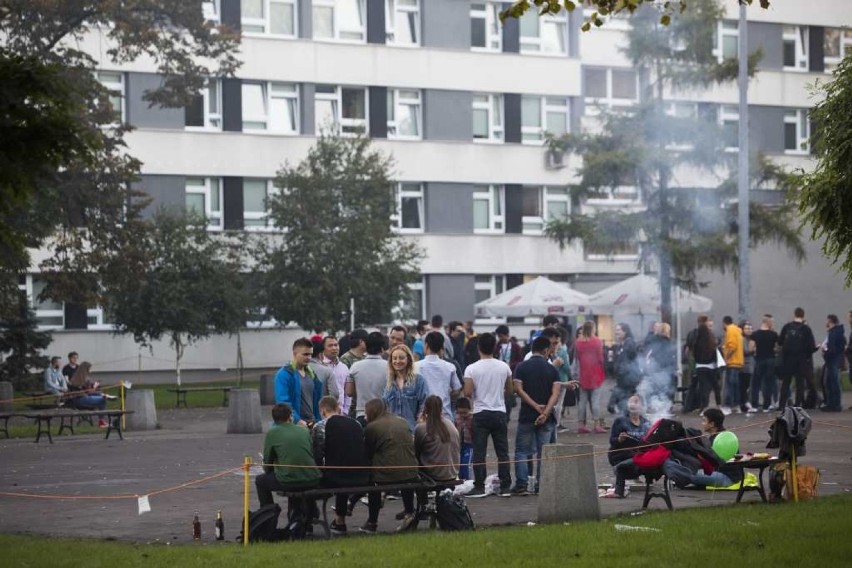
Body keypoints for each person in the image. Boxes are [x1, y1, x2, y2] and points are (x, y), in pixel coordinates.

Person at [512, 335, 571, 495]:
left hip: (526, 416)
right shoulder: (552, 369)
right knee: (543, 453)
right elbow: (555, 394)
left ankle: (522, 485)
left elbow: (518, 390)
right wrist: (545, 412)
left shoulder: (521, 367)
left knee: (522, 451)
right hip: (547, 419)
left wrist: (534, 406)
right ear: (546, 350)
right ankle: (542, 486)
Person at [463, 332, 513, 498]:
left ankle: (479, 485)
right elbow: (510, 391)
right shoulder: (504, 367)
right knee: (502, 452)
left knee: (479, 451)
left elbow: (468, 392)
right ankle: (505, 485)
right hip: (499, 412)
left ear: (478, 348)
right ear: (495, 348)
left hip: (480, 413)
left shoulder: (471, 368)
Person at [311, 396, 369, 535]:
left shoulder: (321, 426)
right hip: (361, 474)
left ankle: (315, 520)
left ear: (323, 410)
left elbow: (318, 454)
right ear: (338, 408)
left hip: (336, 476)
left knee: (323, 477)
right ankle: (339, 521)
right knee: (343, 468)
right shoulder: (355, 424)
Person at [362, 399, 419, 534]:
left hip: (387, 473)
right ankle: (409, 511)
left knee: (373, 485)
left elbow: (367, 452)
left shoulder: (372, 427)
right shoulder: (402, 421)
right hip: (411, 470)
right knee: (405, 476)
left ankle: (372, 522)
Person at [255, 403, 321, 517]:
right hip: (313, 478)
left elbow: (267, 465)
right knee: (295, 473)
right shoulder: (303, 430)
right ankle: (310, 512)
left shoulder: (272, 433)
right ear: (290, 416)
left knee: (260, 481)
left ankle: (267, 514)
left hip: (289, 480)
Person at [414, 395, 461, 506]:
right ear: (441, 408)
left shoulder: (422, 428)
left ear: (425, 409)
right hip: (452, 472)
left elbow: (415, 452)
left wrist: (419, 423)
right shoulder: (450, 424)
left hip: (434, 474)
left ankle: (421, 505)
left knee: (411, 472)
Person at [604, 395, 651, 498]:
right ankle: (619, 488)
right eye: (631, 401)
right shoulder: (620, 421)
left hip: (637, 455)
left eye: (636, 401)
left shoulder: (646, 423)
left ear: (642, 406)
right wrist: (619, 439)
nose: (633, 403)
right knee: (631, 459)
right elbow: (612, 441)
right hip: (619, 455)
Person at [275, 338, 323, 426]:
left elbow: (317, 401)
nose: (309, 357)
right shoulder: (284, 374)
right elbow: (283, 402)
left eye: (310, 354)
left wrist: (318, 420)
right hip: (293, 425)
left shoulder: (312, 374)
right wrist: (297, 420)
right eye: (305, 354)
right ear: (295, 354)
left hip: (312, 423)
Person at [778, 307, 819, 410]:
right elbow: (811, 346)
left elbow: (780, 341)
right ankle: (797, 405)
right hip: (801, 360)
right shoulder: (806, 329)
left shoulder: (787, 327)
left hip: (788, 359)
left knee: (786, 383)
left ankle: (781, 405)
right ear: (803, 316)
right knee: (799, 383)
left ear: (794, 314)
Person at [416, 331, 461, 421]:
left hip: (423, 416)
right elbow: (457, 390)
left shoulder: (415, 366)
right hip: (444, 415)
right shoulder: (450, 367)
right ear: (442, 347)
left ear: (426, 346)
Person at [382, 344, 428, 431]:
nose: (397, 361)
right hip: (392, 431)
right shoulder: (389, 383)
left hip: (412, 431)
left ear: (408, 359)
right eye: (394, 358)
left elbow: (424, 404)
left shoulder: (418, 380)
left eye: (401, 358)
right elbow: (385, 406)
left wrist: (419, 423)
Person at [346, 332, 389, 424]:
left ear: (366, 346)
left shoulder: (355, 366)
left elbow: (349, 392)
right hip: (383, 413)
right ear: (382, 348)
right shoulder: (389, 367)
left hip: (362, 413)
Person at [575, 321, 606, 434]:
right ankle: (597, 425)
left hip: (583, 374)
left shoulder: (578, 342)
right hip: (595, 374)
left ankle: (581, 424)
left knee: (582, 401)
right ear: (593, 328)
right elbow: (600, 359)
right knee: (595, 401)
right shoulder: (597, 341)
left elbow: (577, 358)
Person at [609, 323, 640, 415]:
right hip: (622, 380)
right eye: (616, 330)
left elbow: (626, 361)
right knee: (616, 406)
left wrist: (620, 371)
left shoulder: (629, 344)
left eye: (619, 330)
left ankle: (628, 424)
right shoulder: (620, 345)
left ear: (625, 331)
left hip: (628, 380)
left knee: (621, 406)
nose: (616, 332)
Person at [750, 315, 779, 412]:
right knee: (768, 383)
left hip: (759, 359)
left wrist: (756, 350)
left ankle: (754, 405)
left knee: (756, 383)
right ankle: (766, 405)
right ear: (768, 322)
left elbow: (751, 348)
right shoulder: (774, 334)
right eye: (772, 322)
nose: (773, 324)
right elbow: (777, 347)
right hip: (770, 359)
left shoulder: (755, 334)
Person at [494, 324, 523, 418]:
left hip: (510, 374)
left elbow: (520, 361)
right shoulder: (497, 346)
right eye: (498, 336)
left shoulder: (515, 346)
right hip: (498, 374)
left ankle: (507, 415)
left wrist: (511, 365)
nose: (500, 338)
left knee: (509, 396)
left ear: (506, 335)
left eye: (501, 336)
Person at [68, 361, 109, 427]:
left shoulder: (76, 377)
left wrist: (94, 387)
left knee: (101, 395)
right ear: (86, 369)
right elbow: (88, 391)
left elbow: (86, 390)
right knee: (102, 399)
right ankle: (101, 421)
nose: (90, 370)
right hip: (80, 399)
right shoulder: (83, 378)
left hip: (78, 399)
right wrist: (94, 387)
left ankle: (102, 421)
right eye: (89, 369)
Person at [692, 316, 720, 413]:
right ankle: (719, 405)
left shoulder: (696, 338)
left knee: (703, 388)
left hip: (700, 366)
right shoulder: (711, 339)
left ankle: (704, 407)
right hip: (711, 366)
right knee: (716, 386)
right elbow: (714, 352)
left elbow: (693, 351)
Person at [820, 314, 847, 412]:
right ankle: (833, 403)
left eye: (827, 320)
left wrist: (825, 351)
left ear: (830, 321)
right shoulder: (837, 332)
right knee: (830, 382)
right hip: (834, 360)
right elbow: (843, 344)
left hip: (832, 360)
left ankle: (834, 405)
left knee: (833, 382)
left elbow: (832, 348)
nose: (825, 322)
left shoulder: (833, 333)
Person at [321, 336, 352, 416]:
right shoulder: (320, 366)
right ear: (323, 348)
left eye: (336, 345)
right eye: (330, 345)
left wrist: (345, 411)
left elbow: (347, 393)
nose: (334, 348)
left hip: (341, 413)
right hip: (323, 414)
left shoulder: (344, 367)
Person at [721, 316, 744, 415]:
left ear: (724, 323)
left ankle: (727, 406)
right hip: (738, 361)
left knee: (729, 385)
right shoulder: (738, 330)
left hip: (732, 362)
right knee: (735, 385)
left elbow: (732, 346)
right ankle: (736, 405)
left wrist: (726, 358)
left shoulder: (730, 330)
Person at [454, 397, 474, 480]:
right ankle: (461, 481)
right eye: (460, 413)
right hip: (460, 445)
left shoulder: (473, 418)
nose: (462, 415)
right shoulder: (457, 418)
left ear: (469, 409)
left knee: (466, 464)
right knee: (460, 464)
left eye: (464, 413)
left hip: (470, 444)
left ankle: (468, 481)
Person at [739, 321, 756, 412]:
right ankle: (743, 404)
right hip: (744, 366)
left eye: (750, 328)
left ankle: (745, 403)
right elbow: (745, 351)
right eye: (747, 328)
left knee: (747, 386)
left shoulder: (751, 339)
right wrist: (752, 349)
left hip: (750, 366)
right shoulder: (742, 339)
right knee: (744, 387)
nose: (749, 330)